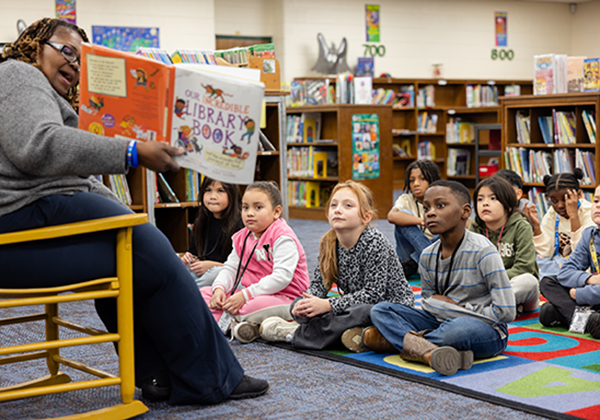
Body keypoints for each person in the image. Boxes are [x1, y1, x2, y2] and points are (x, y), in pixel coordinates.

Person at [0, 18, 268, 405]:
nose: (74, 66)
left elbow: (58, 164)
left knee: (136, 257)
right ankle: (211, 380)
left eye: (82, 62)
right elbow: (39, 145)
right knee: (151, 253)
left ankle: (157, 376)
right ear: (33, 43)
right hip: (27, 216)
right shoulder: (18, 73)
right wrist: (132, 151)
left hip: (33, 217)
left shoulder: (30, 87)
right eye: (67, 51)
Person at [366, 180, 516, 376]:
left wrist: (461, 309)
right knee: (381, 310)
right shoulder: (427, 255)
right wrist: (444, 307)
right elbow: (429, 304)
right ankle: (430, 352)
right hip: (440, 321)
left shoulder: (484, 251)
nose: (430, 212)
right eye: (426, 207)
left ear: (465, 212)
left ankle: (397, 343)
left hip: (485, 328)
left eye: (440, 205)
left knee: (457, 331)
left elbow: (506, 311)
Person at [258, 181, 415, 351]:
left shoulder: (375, 242)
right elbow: (319, 285)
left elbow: (373, 295)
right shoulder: (329, 242)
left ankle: (294, 333)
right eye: (334, 205)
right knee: (298, 304)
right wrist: (308, 302)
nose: (338, 209)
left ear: (366, 217)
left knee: (361, 312)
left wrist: (328, 306)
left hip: (387, 309)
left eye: (348, 205)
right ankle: (356, 335)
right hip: (352, 305)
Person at [201, 181, 310, 344]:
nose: (249, 213)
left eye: (258, 207)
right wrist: (219, 289)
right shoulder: (242, 236)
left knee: (248, 307)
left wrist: (244, 296)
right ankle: (242, 327)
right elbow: (230, 268)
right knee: (203, 295)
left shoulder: (283, 237)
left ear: (276, 212)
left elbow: (281, 277)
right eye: (245, 207)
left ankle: (233, 323)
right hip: (252, 293)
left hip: (287, 297)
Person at [468, 177, 540, 315]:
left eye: (493, 198)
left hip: (513, 287)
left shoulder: (521, 226)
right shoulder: (475, 226)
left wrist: (490, 280)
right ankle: (499, 309)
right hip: (484, 287)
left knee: (528, 282)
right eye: (480, 199)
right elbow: (468, 263)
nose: (485, 204)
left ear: (507, 204)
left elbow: (524, 267)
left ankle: (479, 308)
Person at [538, 184, 600, 336]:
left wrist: (578, 294)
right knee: (548, 282)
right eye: (597, 201)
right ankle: (587, 319)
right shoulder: (589, 235)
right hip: (593, 290)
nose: (598, 206)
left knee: (550, 311)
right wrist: (591, 279)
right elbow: (565, 272)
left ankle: (565, 314)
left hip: (590, 295)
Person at [524, 168, 595, 278]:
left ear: (579, 195)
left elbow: (584, 255)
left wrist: (573, 216)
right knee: (533, 265)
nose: (560, 205)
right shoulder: (553, 213)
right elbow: (545, 253)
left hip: (583, 268)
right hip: (558, 265)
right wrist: (536, 227)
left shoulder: (591, 213)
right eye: (554, 201)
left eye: (566, 199)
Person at [180, 177, 243, 288]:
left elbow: (243, 266)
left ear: (231, 194)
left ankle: (189, 292)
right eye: (208, 190)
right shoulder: (200, 222)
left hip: (231, 274)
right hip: (205, 274)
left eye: (220, 191)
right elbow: (195, 253)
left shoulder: (241, 224)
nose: (213, 196)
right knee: (178, 266)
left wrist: (212, 266)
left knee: (215, 273)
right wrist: (189, 259)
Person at [388, 160, 441, 277]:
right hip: (407, 254)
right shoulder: (406, 199)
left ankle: (416, 261)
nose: (416, 184)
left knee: (452, 228)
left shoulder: (442, 200)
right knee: (403, 214)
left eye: (422, 179)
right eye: (412, 180)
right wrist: (421, 221)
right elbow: (391, 216)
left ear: (433, 180)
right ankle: (428, 258)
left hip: (425, 257)